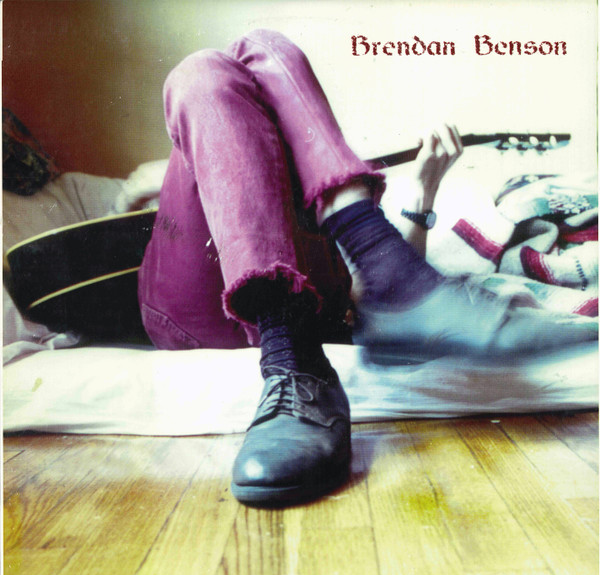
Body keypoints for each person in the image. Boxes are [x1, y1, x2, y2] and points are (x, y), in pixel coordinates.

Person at [138, 29, 597, 507]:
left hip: (325, 299)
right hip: (199, 307)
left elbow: (368, 303)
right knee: (205, 70)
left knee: (261, 45)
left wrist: (423, 193)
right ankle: (293, 352)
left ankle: (370, 277)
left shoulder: (327, 170)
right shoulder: (224, 112)